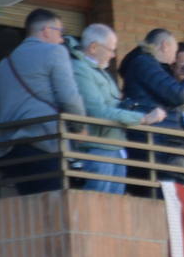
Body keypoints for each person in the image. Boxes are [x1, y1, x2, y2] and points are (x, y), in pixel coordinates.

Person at [0, 9, 86, 195]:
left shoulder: (1, 66)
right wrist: (79, 125)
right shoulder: (54, 51)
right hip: (44, 141)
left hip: (8, 149)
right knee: (54, 208)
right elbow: (69, 98)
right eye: (60, 32)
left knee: (30, 207)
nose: (62, 39)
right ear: (47, 31)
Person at [70, 24, 163, 195]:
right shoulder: (80, 70)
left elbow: (113, 106)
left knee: (114, 210)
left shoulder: (99, 71)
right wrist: (141, 119)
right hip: (97, 149)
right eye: (110, 50)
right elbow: (99, 111)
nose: (113, 55)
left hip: (114, 148)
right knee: (98, 208)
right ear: (93, 47)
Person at [119, 28, 184, 187]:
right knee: (165, 200)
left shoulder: (151, 65)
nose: (174, 59)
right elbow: (178, 95)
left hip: (161, 148)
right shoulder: (144, 63)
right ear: (165, 45)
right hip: (157, 149)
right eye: (174, 51)